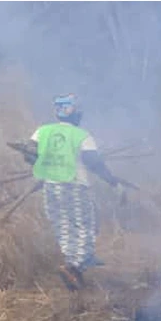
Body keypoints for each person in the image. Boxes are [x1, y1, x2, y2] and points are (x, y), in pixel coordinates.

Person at [20, 94, 123, 291]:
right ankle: (74, 266)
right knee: (85, 226)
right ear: (76, 114)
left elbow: (29, 153)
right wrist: (114, 183)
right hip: (75, 187)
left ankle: (75, 265)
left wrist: (46, 168)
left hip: (51, 187)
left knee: (64, 226)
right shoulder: (82, 136)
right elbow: (95, 164)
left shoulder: (42, 131)